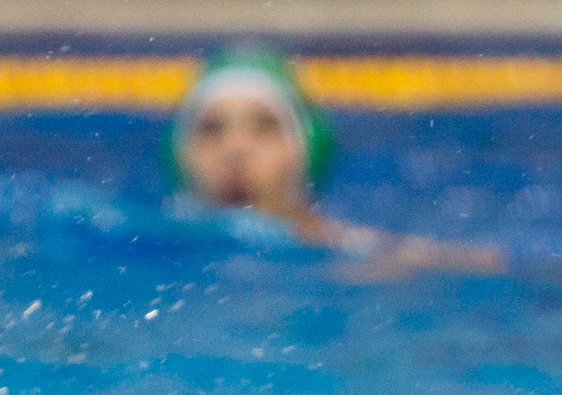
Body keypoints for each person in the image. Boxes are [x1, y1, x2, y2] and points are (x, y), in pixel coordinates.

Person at [168, 45, 502, 274]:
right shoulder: (154, 240)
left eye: (264, 127)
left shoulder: (354, 252)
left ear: (303, 153)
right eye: (212, 129)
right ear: (181, 155)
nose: (235, 148)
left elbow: (480, 262)